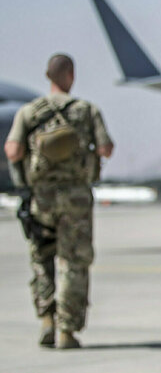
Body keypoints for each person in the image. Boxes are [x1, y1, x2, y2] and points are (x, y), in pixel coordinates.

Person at [4, 53, 114, 349]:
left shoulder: (29, 112)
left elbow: (12, 151)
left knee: (42, 260)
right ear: (71, 75)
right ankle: (67, 330)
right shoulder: (87, 110)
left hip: (42, 200)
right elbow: (105, 149)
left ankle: (46, 320)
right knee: (73, 262)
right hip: (76, 198)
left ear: (48, 76)